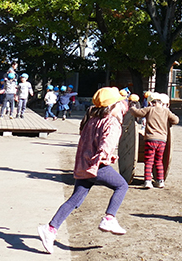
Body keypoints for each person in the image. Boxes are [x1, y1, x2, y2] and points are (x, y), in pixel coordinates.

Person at [37, 87, 130, 253]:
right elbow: (105, 144)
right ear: (113, 106)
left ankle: (50, 229)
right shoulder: (112, 122)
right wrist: (105, 156)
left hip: (83, 165)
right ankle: (109, 217)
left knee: (75, 200)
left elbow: (88, 143)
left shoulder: (91, 120)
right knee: (121, 186)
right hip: (97, 166)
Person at [130, 92, 180, 188]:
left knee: (149, 161)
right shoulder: (166, 111)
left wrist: (132, 108)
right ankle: (160, 180)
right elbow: (176, 120)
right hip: (162, 141)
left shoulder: (149, 109)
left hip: (150, 139)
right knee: (159, 160)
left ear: (151, 103)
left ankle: (148, 181)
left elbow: (137, 113)